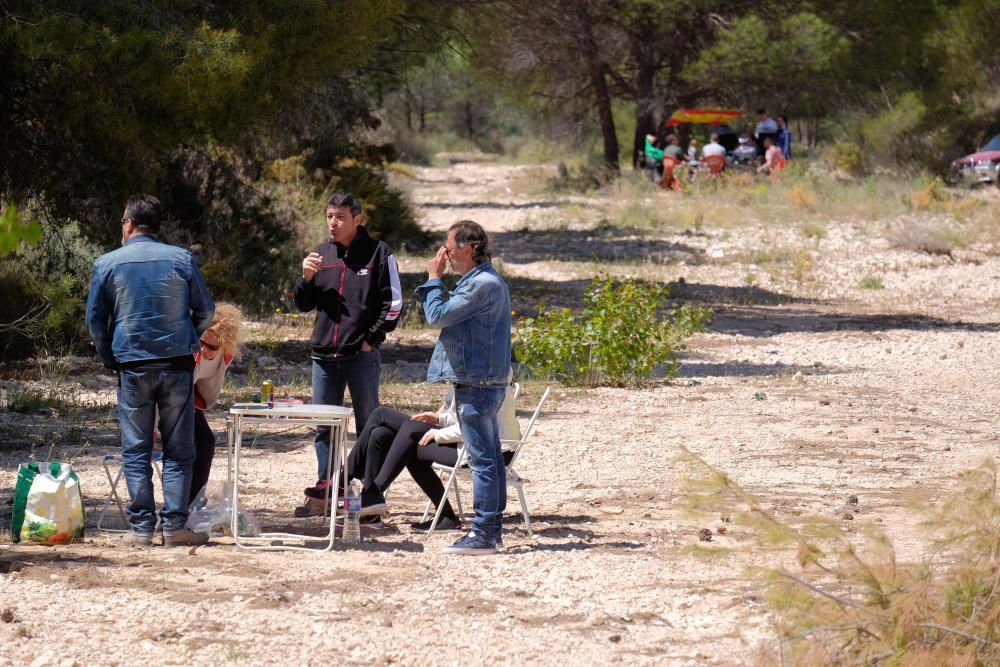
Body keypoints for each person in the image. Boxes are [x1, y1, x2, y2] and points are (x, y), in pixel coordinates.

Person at [86, 194, 214, 547]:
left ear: (128, 223)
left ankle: (141, 529)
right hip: (177, 366)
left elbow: (95, 321)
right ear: (156, 226)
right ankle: (174, 526)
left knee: (136, 449)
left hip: (133, 366)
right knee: (179, 449)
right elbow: (206, 312)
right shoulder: (182, 259)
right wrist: (190, 338)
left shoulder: (108, 263)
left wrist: (110, 356)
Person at [293, 191, 403, 512]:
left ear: (358, 218)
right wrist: (306, 278)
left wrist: (373, 338)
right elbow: (302, 303)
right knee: (324, 426)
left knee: (369, 425)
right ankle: (327, 489)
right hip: (323, 356)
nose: (333, 223)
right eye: (329, 216)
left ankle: (370, 492)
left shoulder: (379, 253)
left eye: (340, 217)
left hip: (361, 356)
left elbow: (393, 303)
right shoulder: (320, 253)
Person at [416, 220, 511, 555]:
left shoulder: (479, 285)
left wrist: (433, 278)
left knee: (483, 459)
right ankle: (491, 529)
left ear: (468, 250)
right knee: (491, 459)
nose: (446, 255)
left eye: (450, 249)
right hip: (486, 380)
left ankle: (484, 532)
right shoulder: (486, 281)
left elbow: (437, 315)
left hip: (477, 382)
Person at [330, 376, 521, 530]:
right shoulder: (475, 373)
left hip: (489, 450)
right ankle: (370, 502)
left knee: (390, 423)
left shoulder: (488, 378)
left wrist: (439, 433)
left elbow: (475, 427)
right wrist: (438, 418)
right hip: (470, 443)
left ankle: (356, 487)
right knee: (382, 433)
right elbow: (461, 418)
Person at [190, 303, 244, 503]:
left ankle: (194, 501)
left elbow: (208, 382)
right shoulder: (192, 350)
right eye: (201, 342)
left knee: (206, 442)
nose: (204, 350)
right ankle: (185, 505)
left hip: (191, 399)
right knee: (188, 445)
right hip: (168, 399)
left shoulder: (225, 354)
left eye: (212, 347)